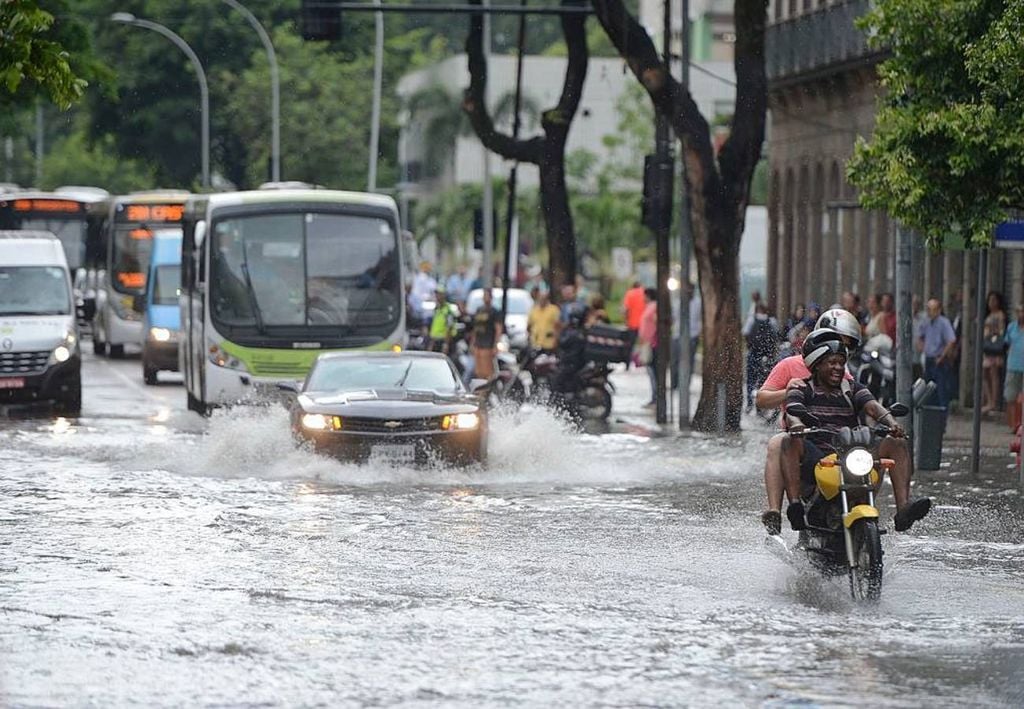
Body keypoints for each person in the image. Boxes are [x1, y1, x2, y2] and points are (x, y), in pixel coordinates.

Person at [781, 329, 931, 533]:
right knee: (788, 441)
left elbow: (873, 407)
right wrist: (796, 425)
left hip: (851, 454)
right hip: (818, 458)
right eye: (832, 363)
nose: (838, 368)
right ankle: (795, 505)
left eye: (841, 363)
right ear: (817, 365)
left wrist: (892, 423)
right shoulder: (801, 388)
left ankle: (903, 508)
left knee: (897, 442)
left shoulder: (852, 388)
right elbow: (792, 412)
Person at [755, 308, 861, 534]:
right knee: (777, 442)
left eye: (845, 345)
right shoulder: (790, 365)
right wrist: (787, 392)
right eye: (835, 341)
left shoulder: (844, 374)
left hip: (836, 440)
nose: (836, 362)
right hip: (801, 437)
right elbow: (762, 399)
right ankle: (775, 511)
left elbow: (861, 402)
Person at [917, 298, 958, 408]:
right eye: (928, 309)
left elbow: (951, 340)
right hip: (928, 358)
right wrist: (922, 348)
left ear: (939, 310)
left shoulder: (944, 323)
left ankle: (942, 410)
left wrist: (942, 356)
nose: (930, 312)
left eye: (933, 309)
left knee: (941, 387)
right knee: (928, 388)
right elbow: (920, 336)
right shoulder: (926, 322)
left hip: (939, 359)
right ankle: (930, 410)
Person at [746, 304, 780, 413]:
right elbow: (776, 335)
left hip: (753, 353)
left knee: (751, 380)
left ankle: (749, 403)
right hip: (767, 355)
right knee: (763, 380)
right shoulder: (772, 321)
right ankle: (760, 406)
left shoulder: (752, 319)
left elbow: (746, 333)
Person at [982, 290, 1007, 414]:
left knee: (993, 374)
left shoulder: (1000, 315)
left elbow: (1002, 331)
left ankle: (993, 402)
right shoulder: (988, 315)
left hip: (994, 348)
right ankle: (989, 400)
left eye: (994, 300)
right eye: (990, 300)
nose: (991, 303)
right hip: (987, 348)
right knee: (984, 374)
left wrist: (993, 332)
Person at [470, 288, 503, 380]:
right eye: (484, 296)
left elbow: (498, 329)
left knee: (487, 371)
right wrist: (472, 343)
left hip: (488, 343)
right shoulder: (479, 310)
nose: (485, 298)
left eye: (487, 296)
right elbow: (475, 329)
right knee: (478, 371)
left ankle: (488, 386)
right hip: (478, 343)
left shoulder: (495, 311)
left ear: (491, 297)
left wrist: (495, 345)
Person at [1005, 306, 1024, 431]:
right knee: (1011, 396)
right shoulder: (1011, 327)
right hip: (1013, 366)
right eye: (1020, 312)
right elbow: (1007, 343)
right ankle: (1013, 425)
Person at [638, 288, 658, 407]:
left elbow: (656, 323)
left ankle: (656, 397)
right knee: (651, 371)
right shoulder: (650, 307)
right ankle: (654, 396)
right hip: (647, 343)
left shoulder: (654, 307)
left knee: (653, 371)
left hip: (652, 344)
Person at [428, 287, 458, 354]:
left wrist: (446, 344)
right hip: (435, 341)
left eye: (439, 294)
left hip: (443, 341)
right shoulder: (437, 309)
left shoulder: (448, 310)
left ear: (444, 295)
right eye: (436, 294)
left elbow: (449, 327)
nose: (437, 296)